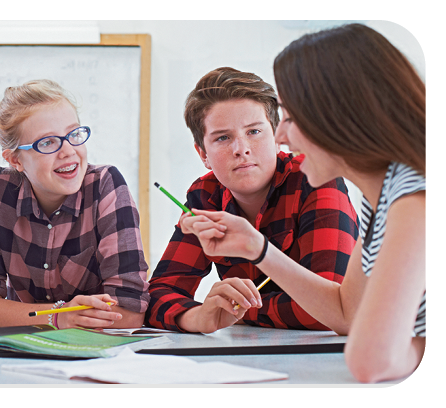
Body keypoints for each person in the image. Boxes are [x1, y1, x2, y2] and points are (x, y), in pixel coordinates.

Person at [179, 24, 425, 383]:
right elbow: (345, 312)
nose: (280, 136)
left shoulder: (416, 196)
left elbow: (373, 360)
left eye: (291, 118)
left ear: (340, 119)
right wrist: (257, 248)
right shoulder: (383, 199)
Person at [146, 67, 359, 334]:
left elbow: (330, 310)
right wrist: (200, 317)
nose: (241, 149)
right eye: (223, 138)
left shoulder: (315, 178)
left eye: (254, 132)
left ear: (277, 137)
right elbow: (157, 295)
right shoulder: (205, 195)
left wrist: (236, 310)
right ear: (203, 153)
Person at [0, 79, 149, 329]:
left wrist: (48, 317)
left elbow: (129, 311)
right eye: (47, 142)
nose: (68, 151)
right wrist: (58, 315)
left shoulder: (105, 185)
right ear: (15, 160)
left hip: (98, 351)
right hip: (24, 350)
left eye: (74, 134)